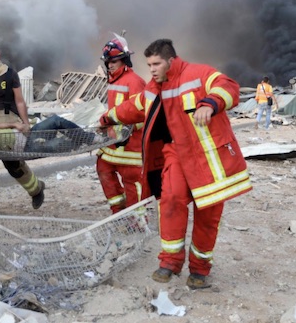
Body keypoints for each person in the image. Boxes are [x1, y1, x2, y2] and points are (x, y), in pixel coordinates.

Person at [104, 38, 252, 289]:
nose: (151, 69)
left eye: (156, 63)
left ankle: (200, 269)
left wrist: (211, 103)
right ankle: (169, 262)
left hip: (207, 158)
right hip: (176, 153)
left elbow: (228, 86)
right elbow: (133, 107)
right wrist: (106, 118)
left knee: (208, 216)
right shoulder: (153, 87)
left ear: (171, 61)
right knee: (170, 201)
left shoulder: (198, 73)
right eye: (149, 64)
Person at [0, 41, 45, 215]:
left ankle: (36, 190)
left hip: (9, 118)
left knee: (12, 163)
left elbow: (19, 101)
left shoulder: (9, 74)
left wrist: (25, 123)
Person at [95, 37, 147, 214]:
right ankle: (118, 211)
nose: (110, 65)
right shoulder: (114, 80)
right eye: (108, 62)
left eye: (113, 61)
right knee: (103, 167)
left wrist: (119, 128)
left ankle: (137, 220)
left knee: (132, 180)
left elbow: (140, 114)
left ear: (124, 60)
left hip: (130, 144)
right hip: (113, 141)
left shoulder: (134, 82)